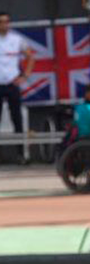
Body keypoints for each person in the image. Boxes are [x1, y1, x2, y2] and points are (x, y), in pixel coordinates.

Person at [0, 11, 34, 159]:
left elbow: (30, 57)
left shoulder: (17, 39)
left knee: (17, 119)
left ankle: (21, 154)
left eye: (6, 21)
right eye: (1, 22)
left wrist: (24, 76)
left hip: (12, 83)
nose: (4, 25)